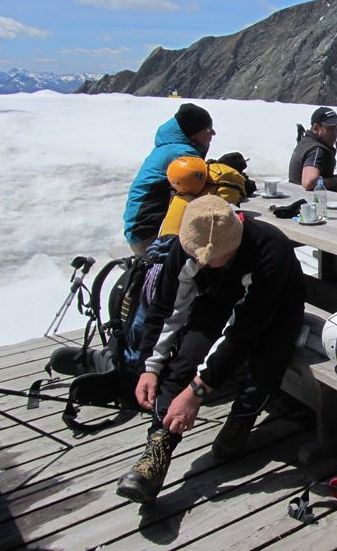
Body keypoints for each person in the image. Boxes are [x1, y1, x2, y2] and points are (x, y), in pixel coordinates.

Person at [115, 195, 305, 504]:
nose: (200, 260)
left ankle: (243, 417)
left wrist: (196, 393)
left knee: (266, 361)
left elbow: (242, 333)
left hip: (276, 305)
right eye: (195, 254)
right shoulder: (188, 245)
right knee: (187, 355)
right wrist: (149, 367)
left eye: (210, 255)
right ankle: (157, 451)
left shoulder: (270, 251)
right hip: (220, 296)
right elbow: (166, 309)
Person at [123, 103, 215, 256]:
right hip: (152, 239)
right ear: (193, 133)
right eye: (208, 128)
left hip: (139, 232)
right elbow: (204, 188)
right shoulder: (182, 153)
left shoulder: (170, 147)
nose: (213, 132)